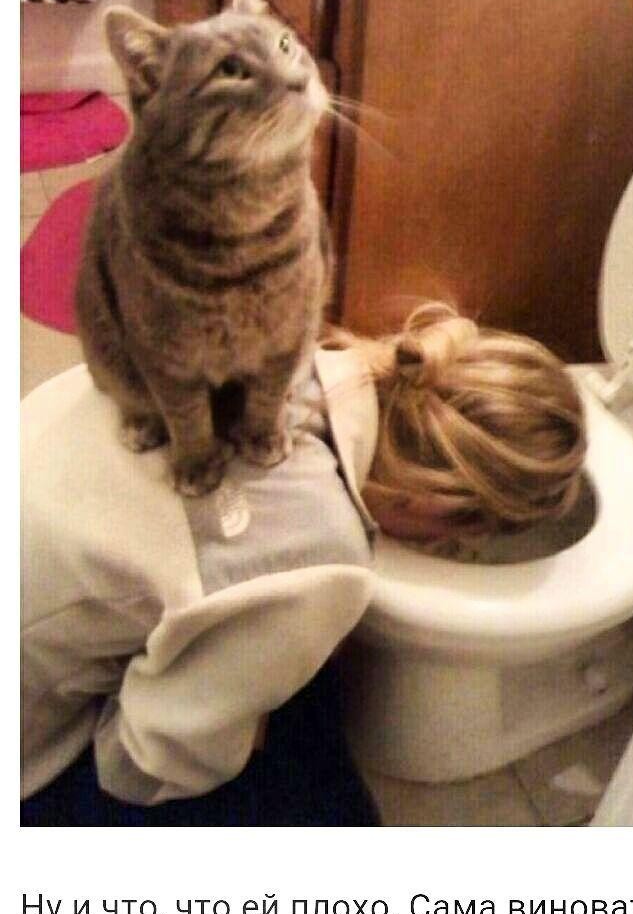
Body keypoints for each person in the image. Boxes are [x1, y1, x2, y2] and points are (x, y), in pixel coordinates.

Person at [20, 303, 585, 825]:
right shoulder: (318, 557)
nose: (452, 550)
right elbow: (143, 766)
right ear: (437, 502)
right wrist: (244, 726)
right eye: (461, 537)